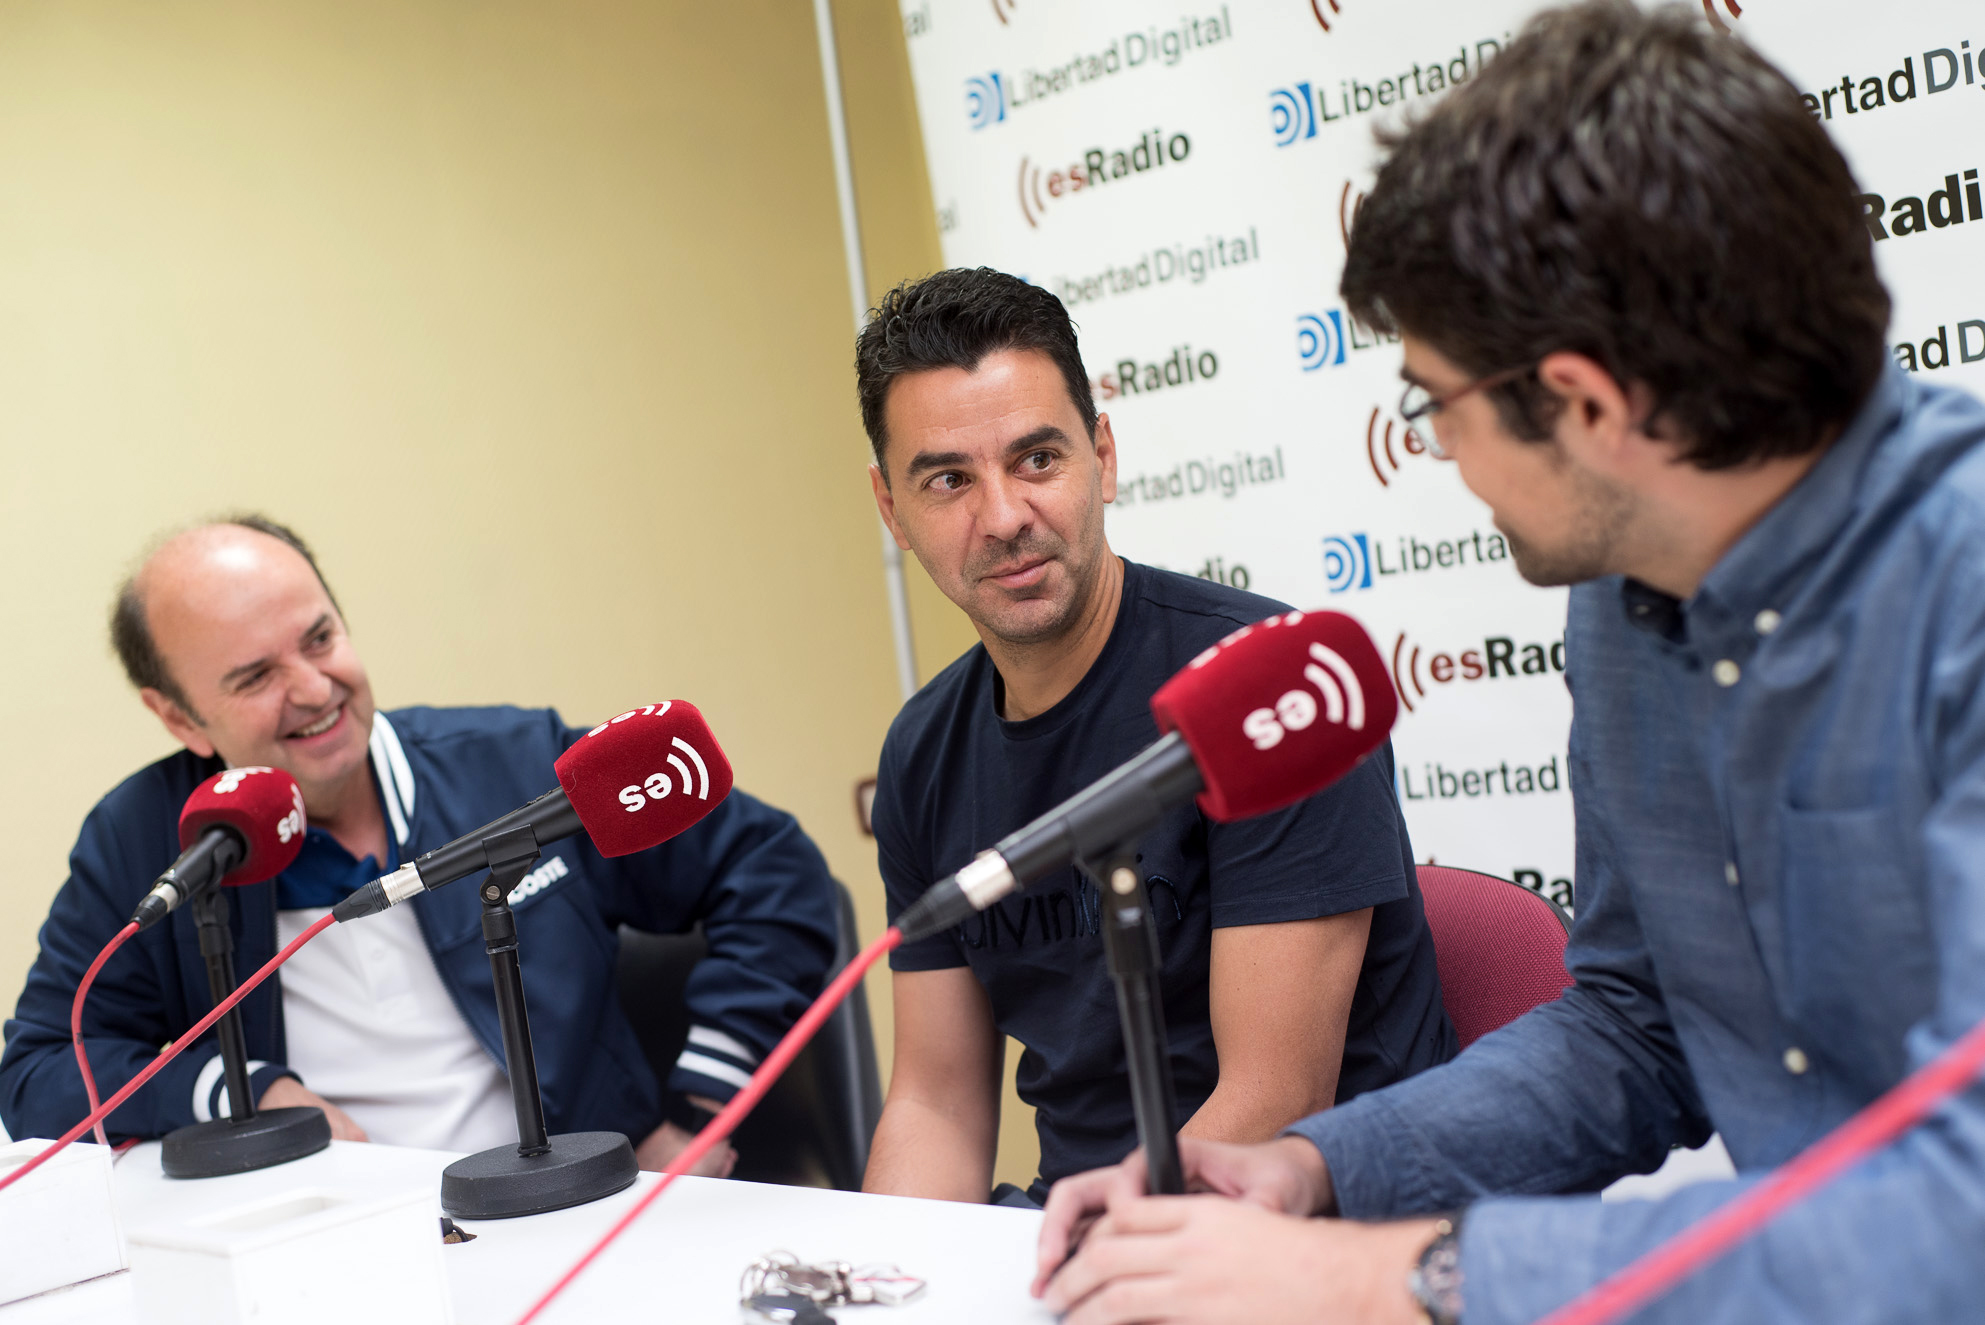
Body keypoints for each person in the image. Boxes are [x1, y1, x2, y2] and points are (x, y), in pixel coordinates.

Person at [1031, 4, 1985, 1323]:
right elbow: (1638, 1024)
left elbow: (1960, 1211)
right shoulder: (1629, 595)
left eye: (1435, 403)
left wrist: (1395, 1276)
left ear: (1585, 404)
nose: (1437, 451)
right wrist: (1310, 1168)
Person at [854, 267, 1454, 1206]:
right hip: (1084, 1227)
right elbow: (936, 1102)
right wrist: (886, 1276)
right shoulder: (921, 752)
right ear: (892, 509)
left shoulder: (1267, 696)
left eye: (1037, 460)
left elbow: (1274, 1098)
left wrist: (1085, 1258)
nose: (1003, 517)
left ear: (1103, 456)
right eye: (948, 480)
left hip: (1313, 1225)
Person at [0, 516, 839, 1176]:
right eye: (255, 676)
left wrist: (700, 1105)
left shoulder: (515, 764)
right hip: (330, 1249)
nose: (314, 689)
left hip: (578, 1209)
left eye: (320, 639)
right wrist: (244, 1090)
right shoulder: (148, 839)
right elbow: (39, 1069)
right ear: (179, 716)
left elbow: (773, 867)